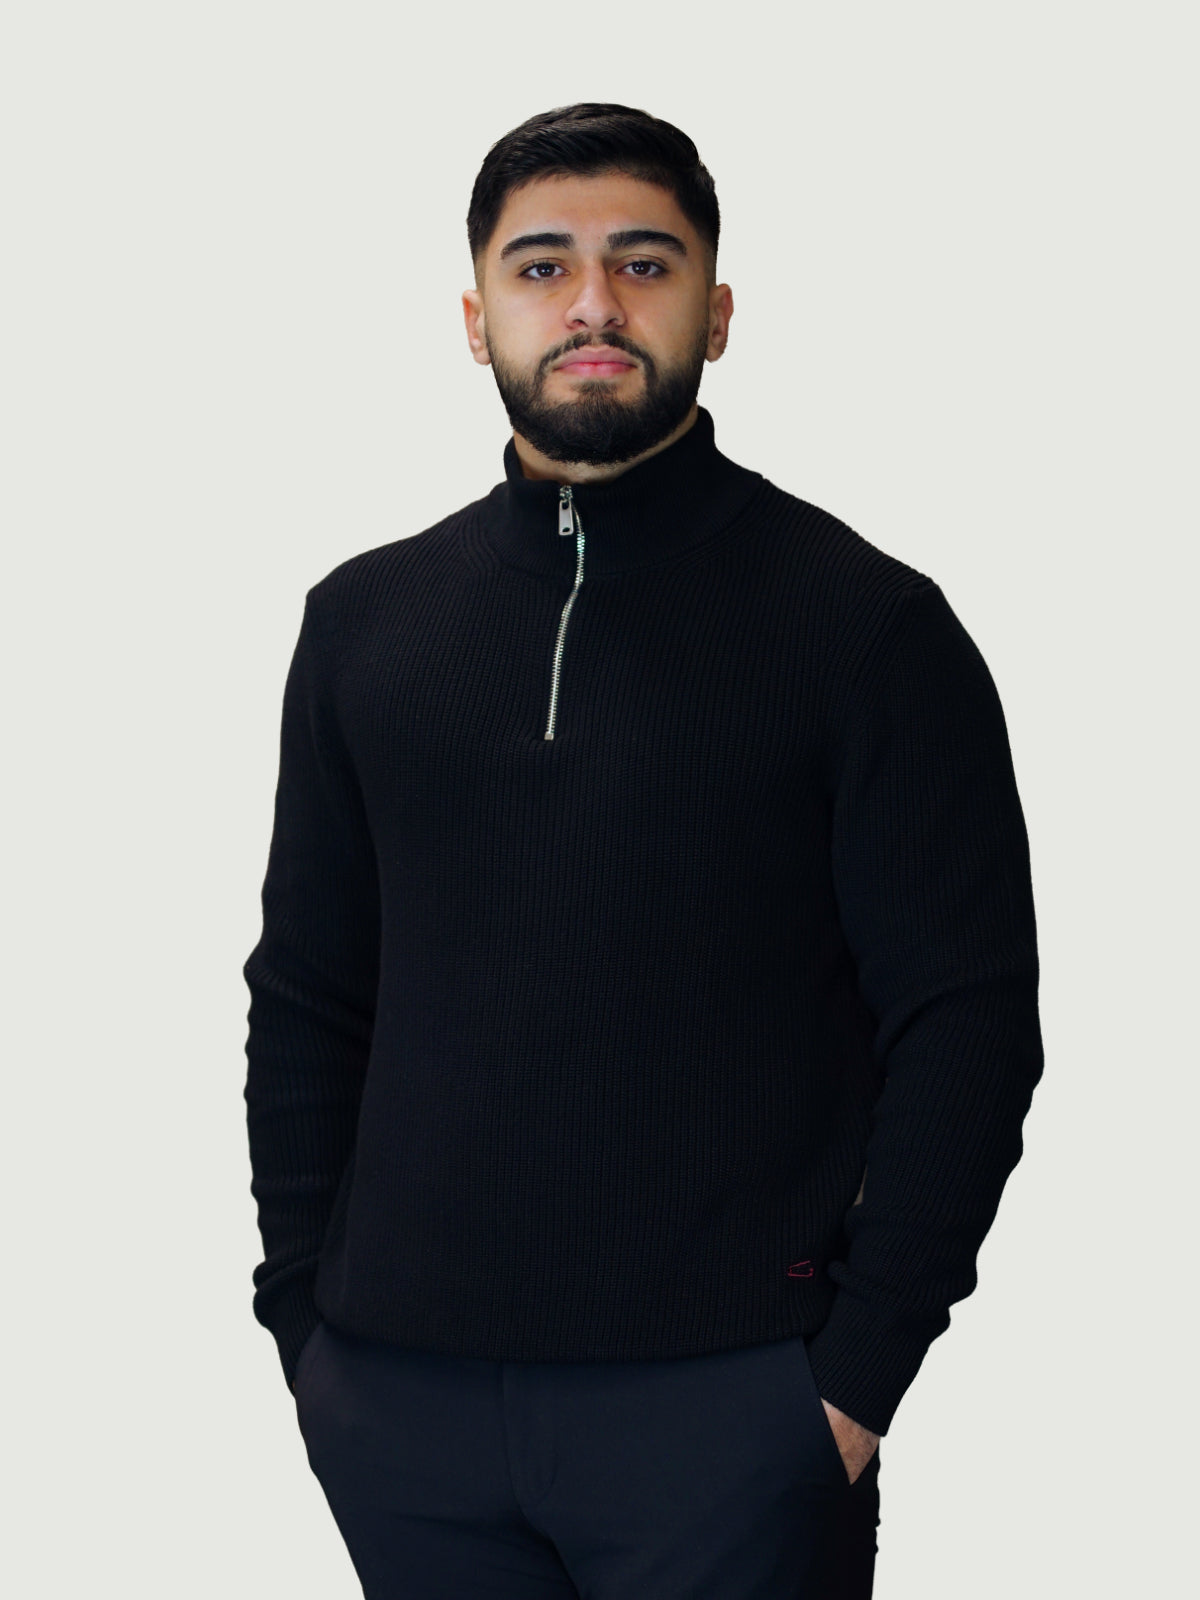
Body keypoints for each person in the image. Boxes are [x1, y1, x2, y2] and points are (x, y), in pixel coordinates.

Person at [242, 102, 1044, 1598]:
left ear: (717, 314)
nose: (594, 303)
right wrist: (308, 1325)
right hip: (401, 1405)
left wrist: (854, 1378)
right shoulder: (363, 624)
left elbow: (969, 1019)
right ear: (475, 318)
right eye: (543, 266)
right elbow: (308, 993)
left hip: (729, 1411)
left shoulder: (866, 629)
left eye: (646, 263)